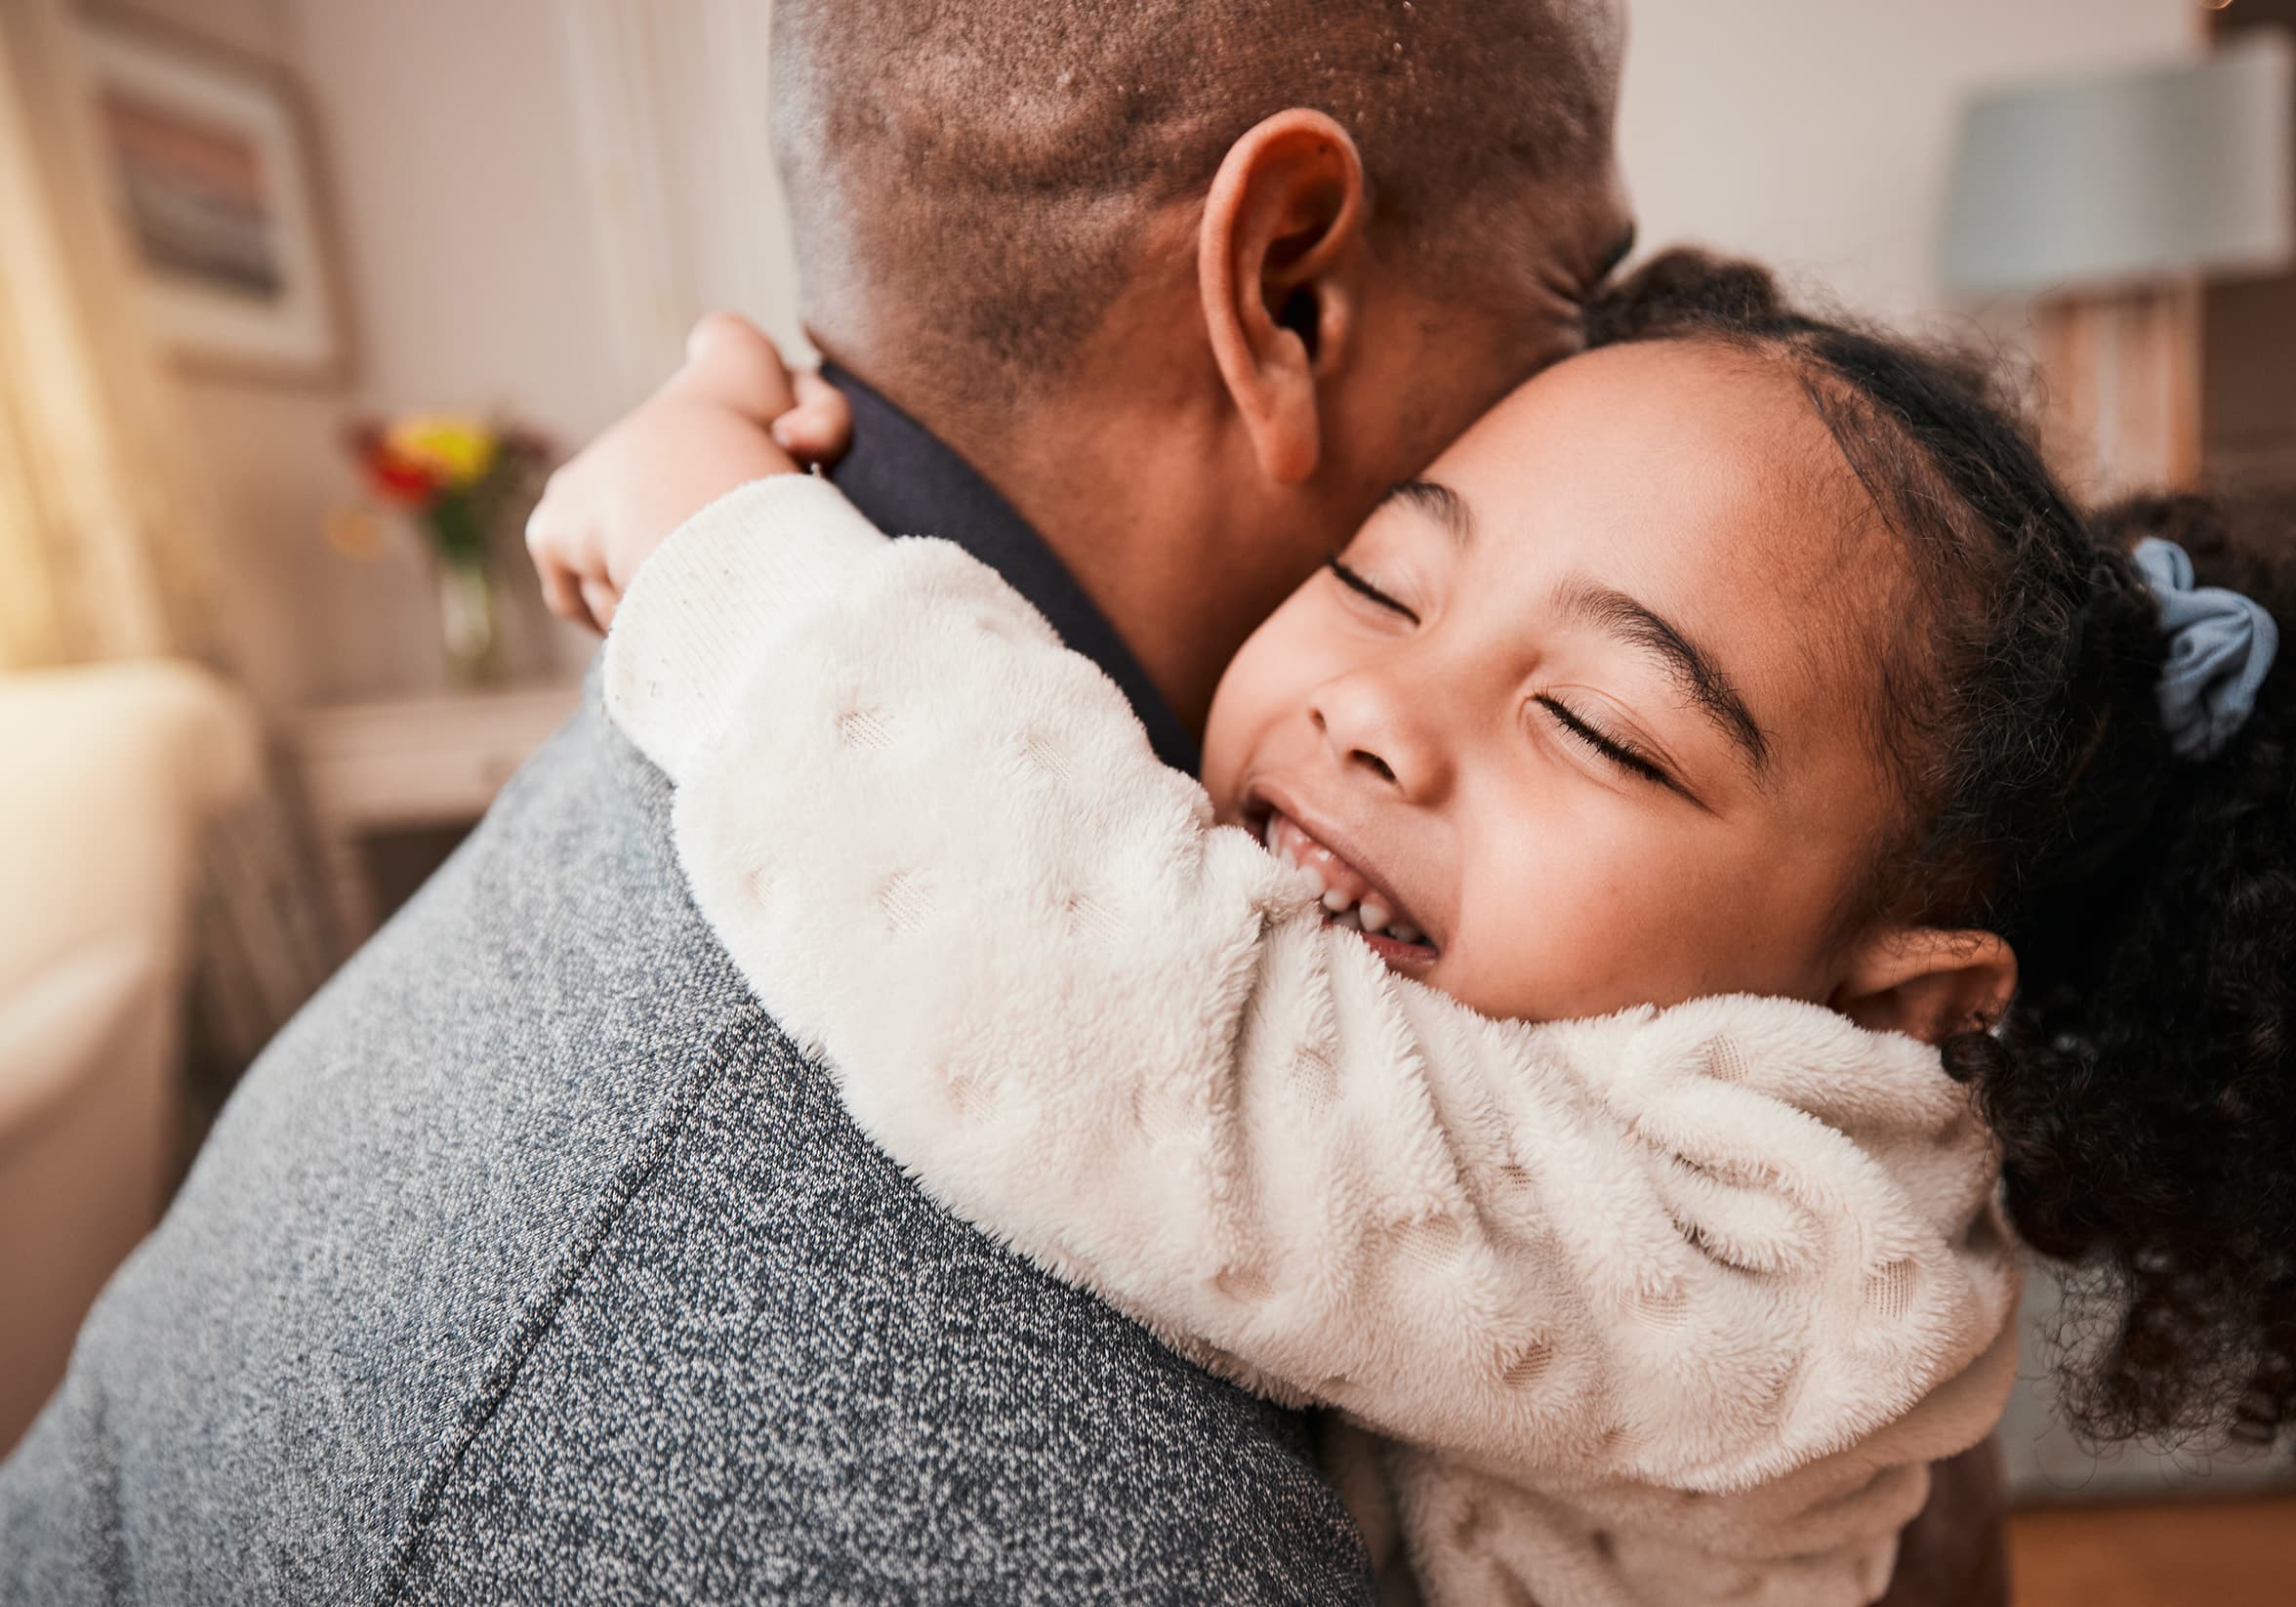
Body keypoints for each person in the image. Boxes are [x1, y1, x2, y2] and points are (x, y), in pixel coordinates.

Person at [1, 3, 1638, 1602]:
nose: (1607, 382)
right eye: (1581, 290)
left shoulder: (699, 697)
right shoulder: (1066, 1508)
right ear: (1284, 293)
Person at [539, 251, 2296, 1602]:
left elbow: (1115, 1005)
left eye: (1597, 724)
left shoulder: (1796, 1258)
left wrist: (724, 538)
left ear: (1893, 999)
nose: (1376, 710)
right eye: (1377, 573)